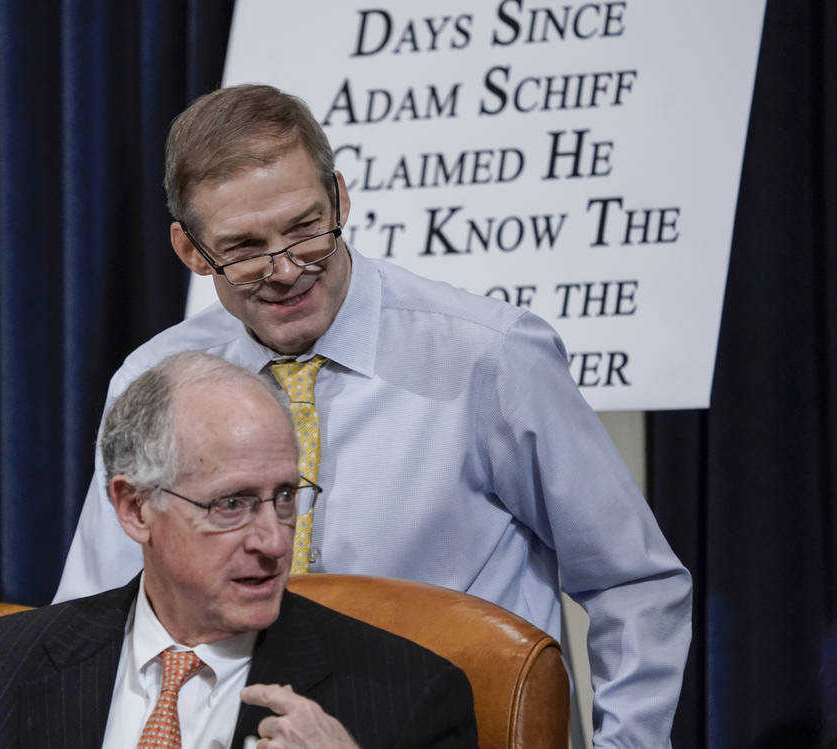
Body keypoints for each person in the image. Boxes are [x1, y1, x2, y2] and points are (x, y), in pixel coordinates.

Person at [56, 84, 693, 747]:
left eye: (306, 227)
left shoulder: (490, 356)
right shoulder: (154, 381)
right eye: (245, 248)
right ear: (191, 250)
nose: (286, 269)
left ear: (340, 196)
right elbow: (92, 614)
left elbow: (635, 581)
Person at [0, 352, 476, 748]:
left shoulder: (411, 697)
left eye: (284, 497)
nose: (274, 540)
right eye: (231, 504)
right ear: (135, 508)